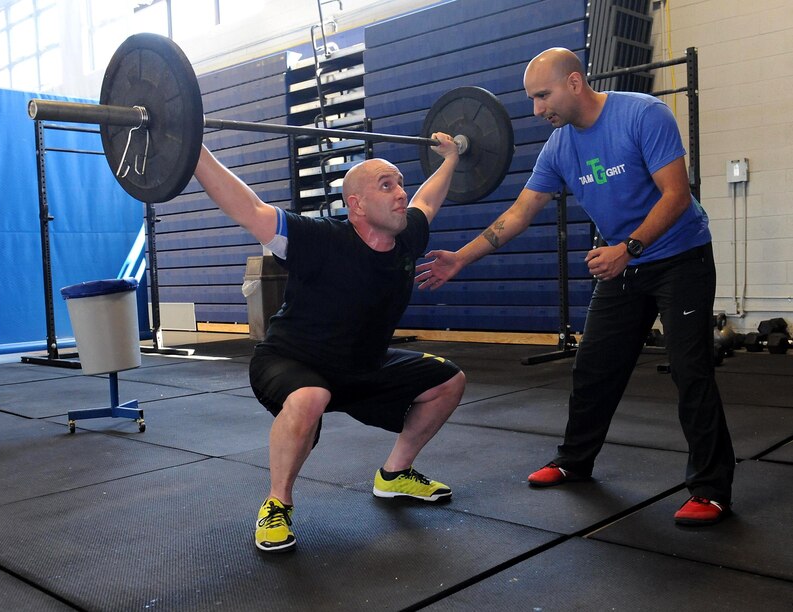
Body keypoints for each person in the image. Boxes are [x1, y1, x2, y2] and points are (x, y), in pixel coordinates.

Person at [417, 48, 735, 526]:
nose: (536, 109)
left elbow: (677, 195)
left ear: (574, 82)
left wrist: (627, 247)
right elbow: (519, 214)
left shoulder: (644, 114)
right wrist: (460, 259)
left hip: (679, 258)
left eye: (542, 96)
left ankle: (711, 490)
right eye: (530, 99)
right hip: (622, 263)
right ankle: (574, 461)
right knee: (592, 369)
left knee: (691, 371)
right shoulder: (559, 147)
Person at [193, 133, 466, 552]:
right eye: (386, 185)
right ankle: (277, 503)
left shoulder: (408, 235)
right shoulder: (319, 238)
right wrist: (192, 147)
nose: (401, 194)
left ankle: (395, 475)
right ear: (355, 204)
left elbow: (427, 200)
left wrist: (451, 158)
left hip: (361, 366)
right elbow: (248, 208)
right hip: (290, 360)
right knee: (309, 397)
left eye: (400, 183)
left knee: (449, 381)